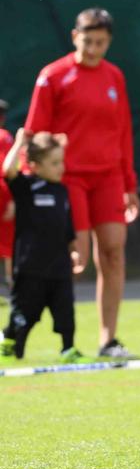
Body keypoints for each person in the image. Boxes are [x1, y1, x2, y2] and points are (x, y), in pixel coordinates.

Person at [24, 9, 139, 359]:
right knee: (76, 259)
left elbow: (123, 133)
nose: (93, 49)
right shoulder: (52, 76)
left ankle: (108, 340)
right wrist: (36, 185)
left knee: (114, 252)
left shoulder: (114, 76)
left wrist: (129, 184)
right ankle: (49, 336)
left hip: (108, 178)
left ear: (109, 42)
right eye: (87, 41)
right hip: (67, 178)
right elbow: (35, 136)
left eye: (100, 42)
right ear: (75, 36)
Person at [1, 132, 79, 361]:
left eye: (61, 161)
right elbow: (8, 170)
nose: (60, 168)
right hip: (30, 268)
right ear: (34, 166)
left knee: (65, 311)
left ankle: (68, 349)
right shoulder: (26, 187)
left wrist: (73, 250)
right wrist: (19, 143)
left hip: (59, 267)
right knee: (26, 315)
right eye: (54, 163)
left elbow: (67, 226)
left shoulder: (62, 191)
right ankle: (11, 340)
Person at [0, 102, 14, 287]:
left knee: (10, 242)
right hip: (4, 194)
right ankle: (13, 283)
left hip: (4, 194)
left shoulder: (4, 137)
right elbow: (10, 169)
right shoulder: (5, 137)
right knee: (10, 244)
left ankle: (13, 283)